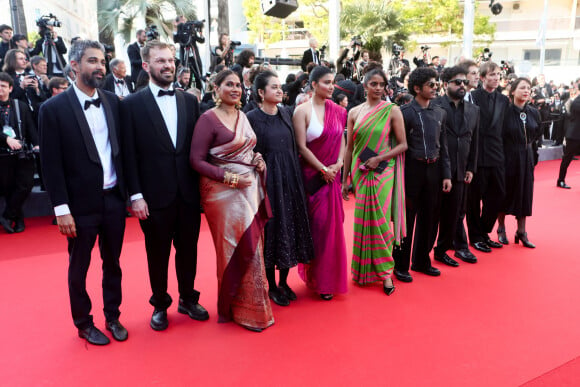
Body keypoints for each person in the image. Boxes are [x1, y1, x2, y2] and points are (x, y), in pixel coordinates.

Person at [39, 40, 128, 345]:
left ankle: (113, 316)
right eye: (92, 61)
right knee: (79, 267)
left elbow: (122, 153)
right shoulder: (53, 109)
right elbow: (50, 164)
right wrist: (61, 209)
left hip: (114, 199)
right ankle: (83, 322)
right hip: (79, 206)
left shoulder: (115, 102)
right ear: (75, 65)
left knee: (113, 262)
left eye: (102, 61)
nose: (100, 67)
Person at [122, 40, 208, 331]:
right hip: (153, 196)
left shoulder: (189, 101)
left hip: (187, 194)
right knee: (156, 254)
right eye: (161, 61)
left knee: (189, 251)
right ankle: (160, 304)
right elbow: (129, 154)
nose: (168, 65)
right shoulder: (131, 104)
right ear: (146, 66)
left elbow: (198, 149)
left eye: (170, 60)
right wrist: (135, 195)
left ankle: (187, 298)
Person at [190, 69, 274, 332]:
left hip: (249, 189)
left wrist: (258, 159)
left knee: (254, 248)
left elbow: (249, 150)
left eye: (238, 85)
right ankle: (236, 309)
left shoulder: (242, 116)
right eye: (229, 84)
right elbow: (196, 161)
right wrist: (229, 178)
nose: (235, 89)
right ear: (216, 88)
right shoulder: (207, 119)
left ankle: (255, 309)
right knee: (232, 249)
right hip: (222, 194)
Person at [246, 71, 314, 306]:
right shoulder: (252, 117)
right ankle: (272, 285)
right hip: (267, 182)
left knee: (290, 226)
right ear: (261, 92)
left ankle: (284, 281)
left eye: (279, 86)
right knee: (272, 230)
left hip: (290, 178)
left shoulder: (287, 113)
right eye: (273, 87)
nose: (279, 90)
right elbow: (249, 151)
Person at [341, 68, 407, 295]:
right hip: (360, 173)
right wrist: (345, 179)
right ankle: (364, 271)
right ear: (365, 84)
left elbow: (402, 145)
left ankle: (386, 273)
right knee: (362, 222)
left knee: (380, 222)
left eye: (382, 84)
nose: (378, 88)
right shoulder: (354, 112)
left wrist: (379, 158)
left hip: (383, 172)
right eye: (374, 84)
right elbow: (349, 148)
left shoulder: (392, 110)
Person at [292, 65, 348, 300]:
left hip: (332, 177)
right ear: (313, 84)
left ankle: (329, 281)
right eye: (326, 82)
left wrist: (338, 163)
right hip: (312, 179)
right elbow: (301, 147)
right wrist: (323, 169)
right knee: (319, 228)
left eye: (332, 82)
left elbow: (343, 140)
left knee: (333, 229)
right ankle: (317, 277)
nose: (331, 86)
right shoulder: (301, 111)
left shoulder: (338, 110)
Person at [392, 67, 452, 283]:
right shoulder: (404, 113)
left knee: (430, 217)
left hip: (434, 170)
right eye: (431, 85)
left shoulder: (440, 113)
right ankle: (400, 265)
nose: (436, 88)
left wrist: (446, 175)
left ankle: (421, 261)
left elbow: (443, 146)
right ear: (417, 88)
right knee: (406, 220)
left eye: (436, 84)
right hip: (411, 171)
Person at [432, 66, 479, 266]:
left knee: (455, 213)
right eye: (457, 82)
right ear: (445, 84)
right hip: (436, 168)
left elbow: (474, 140)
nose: (462, 86)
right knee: (433, 214)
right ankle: (423, 255)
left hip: (461, 168)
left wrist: (471, 168)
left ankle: (444, 249)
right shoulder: (434, 105)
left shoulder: (474, 110)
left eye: (464, 83)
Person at [467, 62, 509, 253]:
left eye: (498, 74)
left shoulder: (503, 100)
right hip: (478, 154)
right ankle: (475, 236)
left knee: (498, 196)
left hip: (497, 153)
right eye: (492, 74)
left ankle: (484, 231)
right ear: (482, 78)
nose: (496, 77)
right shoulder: (473, 97)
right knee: (475, 198)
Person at [496, 78, 541, 248]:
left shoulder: (533, 112)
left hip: (527, 156)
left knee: (525, 192)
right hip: (507, 156)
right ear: (513, 91)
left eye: (528, 88)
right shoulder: (504, 112)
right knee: (504, 191)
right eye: (522, 88)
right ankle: (501, 228)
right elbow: (498, 135)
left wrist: (533, 155)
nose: (526, 91)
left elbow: (537, 134)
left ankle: (521, 231)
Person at [0, 72, 38, 233]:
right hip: (2, 154)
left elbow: (30, 126)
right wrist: (6, 139)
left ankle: (7, 216)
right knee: (9, 187)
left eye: (2, 86)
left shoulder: (19, 105)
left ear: (10, 88)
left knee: (26, 185)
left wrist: (36, 144)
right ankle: (18, 220)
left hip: (22, 153)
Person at [557, 83, 580, 189]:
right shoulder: (577, 102)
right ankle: (560, 180)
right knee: (567, 159)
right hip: (574, 135)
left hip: (575, 134)